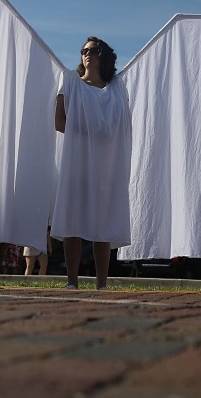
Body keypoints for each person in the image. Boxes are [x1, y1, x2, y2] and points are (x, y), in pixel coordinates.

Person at [51, 37, 132, 290]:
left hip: (106, 163)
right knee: (74, 216)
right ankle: (72, 283)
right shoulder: (71, 81)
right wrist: (86, 133)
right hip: (78, 159)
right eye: (83, 50)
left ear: (103, 55)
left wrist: (99, 132)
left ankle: (102, 284)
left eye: (93, 50)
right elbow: (60, 122)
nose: (87, 54)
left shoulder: (116, 87)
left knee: (102, 221)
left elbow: (122, 124)